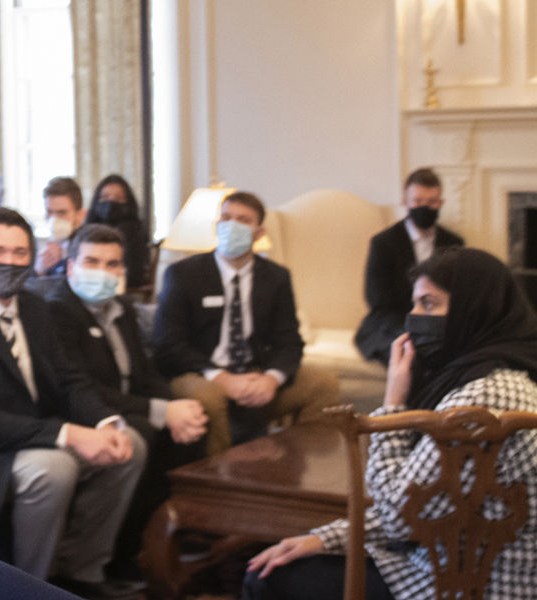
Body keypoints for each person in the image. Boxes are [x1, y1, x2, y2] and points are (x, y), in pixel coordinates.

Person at [243, 248, 537, 600]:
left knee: (268, 579)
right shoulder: (492, 376)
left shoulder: (486, 395)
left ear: (473, 310)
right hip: (439, 559)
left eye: (429, 305)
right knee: (290, 559)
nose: (413, 319)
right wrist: (326, 538)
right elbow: (435, 504)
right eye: (413, 305)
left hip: (465, 582)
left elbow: (403, 514)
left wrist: (394, 405)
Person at [0, 208, 146, 598]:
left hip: (31, 429)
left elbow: (70, 381)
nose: (8, 262)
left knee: (131, 446)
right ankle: (30, 586)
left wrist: (108, 421)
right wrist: (69, 434)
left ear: (33, 256)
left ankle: (82, 572)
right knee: (53, 467)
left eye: (19, 253)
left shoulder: (37, 308)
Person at [45, 223, 207, 577]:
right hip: (82, 413)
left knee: (193, 429)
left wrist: (178, 409)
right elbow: (78, 388)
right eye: (92, 261)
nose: (102, 272)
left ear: (122, 271)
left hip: (125, 405)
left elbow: (145, 375)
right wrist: (162, 411)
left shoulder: (122, 307)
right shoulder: (56, 311)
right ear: (71, 266)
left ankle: (161, 537)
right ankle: (117, 555)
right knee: (142, 434)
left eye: (112, 264)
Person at [153, 191, 340, 456]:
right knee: (208, 397)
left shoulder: (276, 277)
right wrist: (222, 378)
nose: (232, 226)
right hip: (199, 372)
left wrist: (272, 379)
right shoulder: (183, 275)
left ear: (259, 232)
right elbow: (168, 345)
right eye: (226, 218)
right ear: (217, 226)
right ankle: (222, 481)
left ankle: (296, 473)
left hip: (256, 374)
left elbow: (289, 342)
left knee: (323, 383)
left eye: (243, 220)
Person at [355, 167, 464, 365]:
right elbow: (378, 301)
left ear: (440, 203)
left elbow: (458, 295)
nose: (424, 208)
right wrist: (412, 332)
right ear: (405, 202)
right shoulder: (383, 243)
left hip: (438, 324)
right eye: (418, 202)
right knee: (409, 352)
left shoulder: (454, 243)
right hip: (390, 325)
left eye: (431, 202)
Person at [85, 174, 150, 288]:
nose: (110, 203)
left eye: (117, 199)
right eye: (105, 197)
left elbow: (133, 273)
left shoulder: (132, 230)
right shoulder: (88, 230)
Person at [34, 176, 86, 276]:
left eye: (62, 213)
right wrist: (39, 271)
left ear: (80, 215)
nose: (54, 219)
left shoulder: (89, 249)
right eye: (49, 212)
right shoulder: (43, 253)